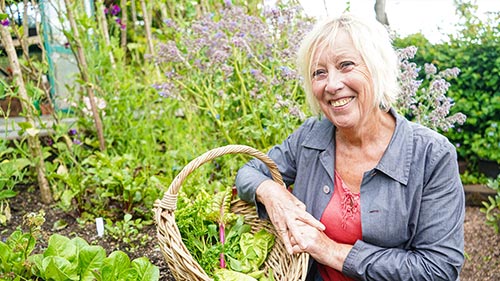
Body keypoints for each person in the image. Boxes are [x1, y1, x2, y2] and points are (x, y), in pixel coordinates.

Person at [235, 13, 465, 280]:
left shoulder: (431, 156)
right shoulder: (311, 137)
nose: (332, 85)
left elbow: (437, 269)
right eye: (319, 73)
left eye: (346, 65)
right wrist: (273, 194)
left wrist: (328, 250)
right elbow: (249, 172)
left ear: (376, 68)